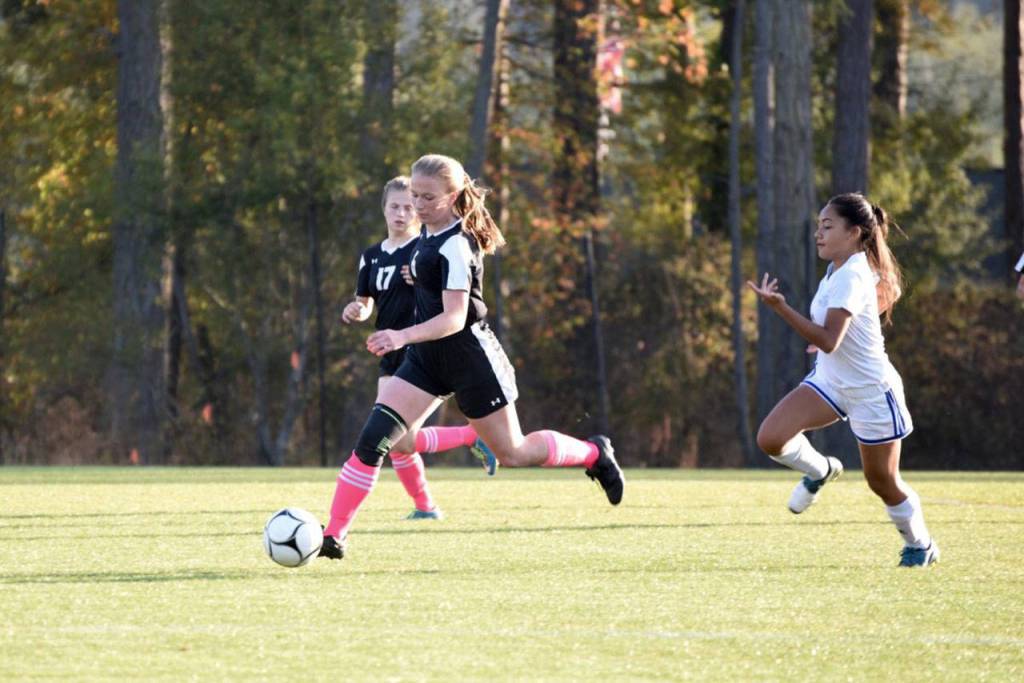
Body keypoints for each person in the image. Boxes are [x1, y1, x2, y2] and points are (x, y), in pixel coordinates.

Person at [319, 154, 623, 560]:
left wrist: (400, 336)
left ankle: (594, 453)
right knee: (374, 440)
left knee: (513, 453)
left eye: (428, 198)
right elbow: (426, 280)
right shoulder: (425, 237)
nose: (419, 205)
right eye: (414, 195)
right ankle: (333, 537)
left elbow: (454, 318)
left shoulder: (458, 244)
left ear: (454, 196)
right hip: (426, 361)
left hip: (470, 359)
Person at [747, 193, 938, 568]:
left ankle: (921, 544)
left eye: (827, 226)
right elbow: (886, 292)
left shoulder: (851, 273)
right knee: (770, 438)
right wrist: (842, 334)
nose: (818, 233)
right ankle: (821, 470)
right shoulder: (841, 267)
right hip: (831, 383)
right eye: (818, 225)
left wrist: (780, 308)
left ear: (854, 233)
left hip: (871, 392)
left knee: (882, 483)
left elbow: (829, 339)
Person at [338, 175, 498, 525]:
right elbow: (365, 302)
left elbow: (445, 293)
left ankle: (457, 458)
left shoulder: (425, 249)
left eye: (409, 206)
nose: (401, 212)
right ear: (383, 209)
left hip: (420, 350)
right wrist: (358, 310)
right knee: (398, 442)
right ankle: (427, 503)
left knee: (398, 441)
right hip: (388, 351)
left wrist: (422, 279)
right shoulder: (371, 257)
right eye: (394, 206)